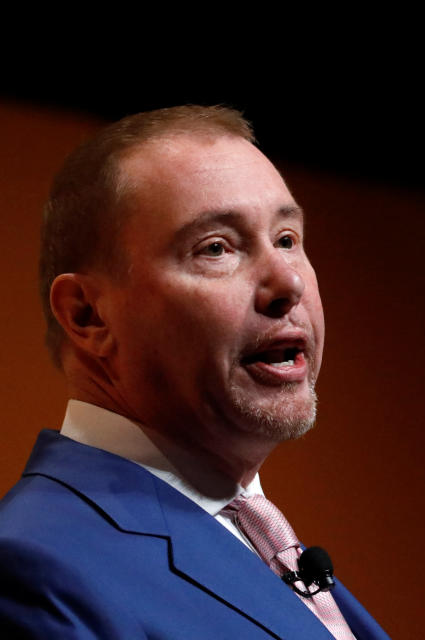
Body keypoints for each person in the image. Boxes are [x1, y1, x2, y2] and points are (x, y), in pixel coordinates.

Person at [0, 105, 391, 639]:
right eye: (216, 248)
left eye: (287, 239)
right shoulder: (34, 569)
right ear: (88, 316)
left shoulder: (266, 543)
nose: (288, 283)